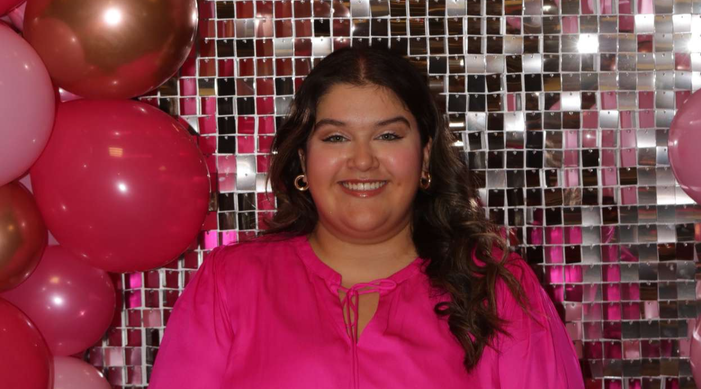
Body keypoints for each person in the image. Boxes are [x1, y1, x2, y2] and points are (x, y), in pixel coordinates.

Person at [148, 47, 584, 388]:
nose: (361, 161)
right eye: (336, 137)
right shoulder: (228, 284)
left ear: (424, 155)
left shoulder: (497, 286)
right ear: (303, 159)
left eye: (388, 135)